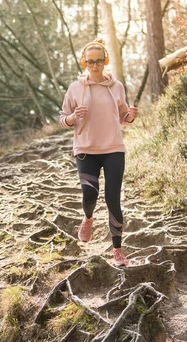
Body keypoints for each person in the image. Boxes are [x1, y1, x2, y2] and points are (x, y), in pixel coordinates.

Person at [59, 39, 138, 267]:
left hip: (113, 148)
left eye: (99, 61)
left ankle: (118, 250)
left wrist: (130, 115)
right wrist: (73, 118)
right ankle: (88, 218)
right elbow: (63, 118)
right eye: (90, 61)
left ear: (105, 62)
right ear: (84, 62)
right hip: (85, 149)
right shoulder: (75, 88)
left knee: (113, 198)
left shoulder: (117, 87)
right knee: (89, 194)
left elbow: (124, 119)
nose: (94, 65)